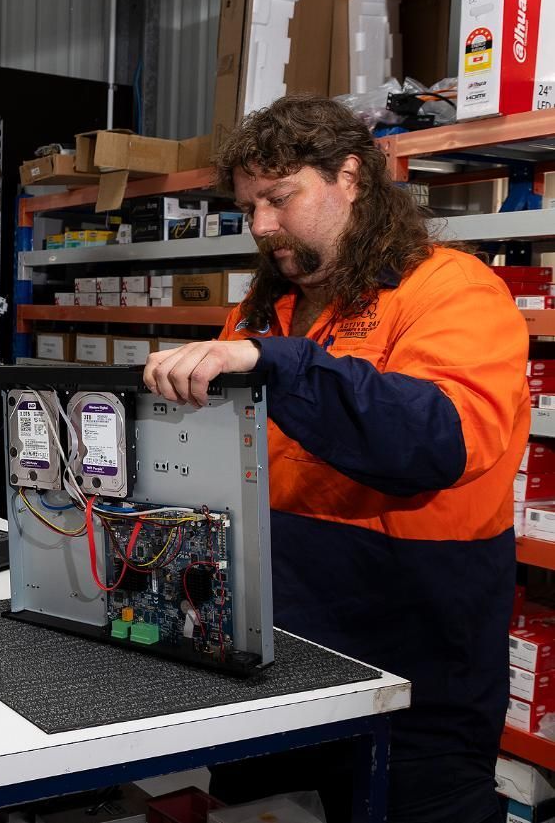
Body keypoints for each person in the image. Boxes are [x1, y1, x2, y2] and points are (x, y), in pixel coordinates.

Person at [143, 95, 528, 823]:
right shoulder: (263, 310)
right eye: (249, 206)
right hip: (271, 659)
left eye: (278, 199)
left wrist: (276, 365)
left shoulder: (453, 291)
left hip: (411, 677)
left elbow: (436, 439)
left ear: (350, 175)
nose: (260, 226)